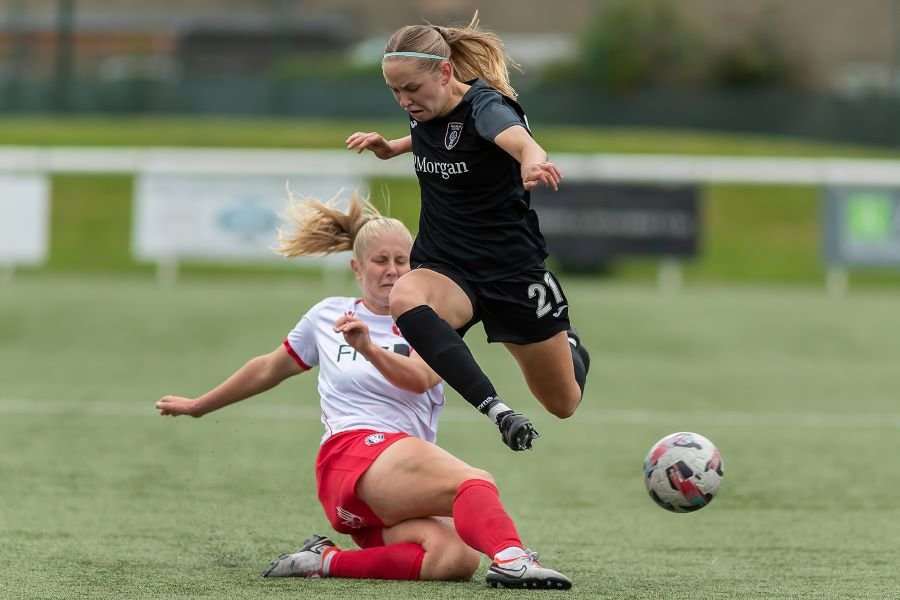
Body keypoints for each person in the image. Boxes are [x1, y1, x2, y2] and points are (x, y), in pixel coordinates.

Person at [155, 194, 572, 589]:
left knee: (454, 559)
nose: (392, 270)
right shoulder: (328, 314)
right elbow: (269, 367)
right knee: (475, 482)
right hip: (349, 455)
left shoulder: (429, 322)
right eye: (380, 261)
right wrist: (198, 406)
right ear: (357, 268)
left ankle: (324, 561)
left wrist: (368, 349)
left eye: (402, 261)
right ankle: (514, 559)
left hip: (393, 478)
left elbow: (420, 377)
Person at [346, 13, 590, 453]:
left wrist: (532, 160)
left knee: (563, 402)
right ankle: (499, 411)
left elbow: (515, 139)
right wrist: (392, 148)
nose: (403, 101)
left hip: (509, 272)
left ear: (444, 72)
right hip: (446, 266)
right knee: (405, 296)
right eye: (394, 91)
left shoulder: (487, 106)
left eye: (411, 89)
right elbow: (433, 134)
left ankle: (569, 343)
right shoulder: (426, 107)